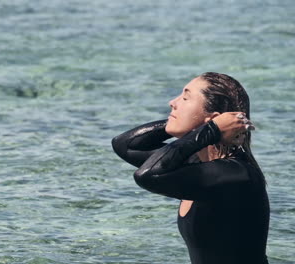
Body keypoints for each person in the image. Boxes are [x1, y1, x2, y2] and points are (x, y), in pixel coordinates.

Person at [111, 72, 270, 264]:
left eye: (185, 98)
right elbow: (125, 145)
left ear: (214, 119)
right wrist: (189, 127)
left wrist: (210, 129)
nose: (173, 102)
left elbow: (147, 175)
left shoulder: (236, 174)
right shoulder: (199, 165)